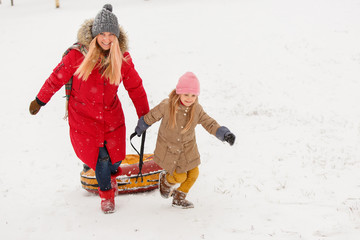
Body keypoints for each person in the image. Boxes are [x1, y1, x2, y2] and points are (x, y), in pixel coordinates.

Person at [29, 4, 149, 214]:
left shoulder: (121, 59)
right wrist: (40, 100)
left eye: (111, 34)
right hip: (83, 116)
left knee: (115, 160)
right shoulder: (77, 56)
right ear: (94, 35)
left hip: (111, 116)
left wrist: (144, 115)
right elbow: (56, 78)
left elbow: (135, 87)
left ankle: (99, 170)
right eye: (102, 33)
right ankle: (107, 194)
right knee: (101, 158)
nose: (106, 38)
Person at [135, 72, 235, 209]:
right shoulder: (167, 105)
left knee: (194, 174)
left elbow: (209, 123)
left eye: (193, 95)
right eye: (186, 94)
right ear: (179, 92)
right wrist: (141, 127)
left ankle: (179, 197)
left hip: (188, 150)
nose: (189, 98)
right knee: (180, 177)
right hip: (170, 150)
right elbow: (152, 116)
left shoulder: (197, 110)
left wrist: (224, 134)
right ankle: (165, 180)